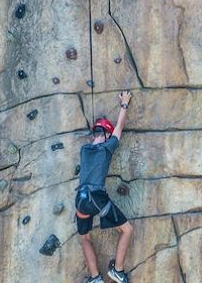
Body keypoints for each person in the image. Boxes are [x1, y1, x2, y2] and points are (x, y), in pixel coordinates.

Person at [76, 91, 134, 283]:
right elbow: (120, 126)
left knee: (84, 237)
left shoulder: (85, 150)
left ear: (94, 135)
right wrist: (124, 104)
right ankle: (117, 270)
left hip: (81, 200)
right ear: (107, 135)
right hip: (96, 197)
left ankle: (94, 278)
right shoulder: (106, 148)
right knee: (127, 230)